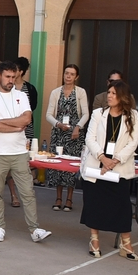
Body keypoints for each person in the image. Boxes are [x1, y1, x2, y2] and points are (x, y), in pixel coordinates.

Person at [0, 62, 51, 244]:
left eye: (13, 77)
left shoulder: (22, 95)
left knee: (27, 191)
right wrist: (15, 125)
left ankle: (34, 229)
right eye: (7, 77)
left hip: (19, 151)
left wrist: (3, 122)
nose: (10, 81)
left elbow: (27, 119)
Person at [80, 80, 138, 260]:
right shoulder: (98, 113)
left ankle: (126, 244)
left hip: (119, 169)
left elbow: (133, 143)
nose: (109, 96)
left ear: (123, 96)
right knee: (94, 204)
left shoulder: (134, 116)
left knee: (122, 207)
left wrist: (115, 160)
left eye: (114, 93)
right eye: (108, 92)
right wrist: (102, 158)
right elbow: (89, 138)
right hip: (97, 167)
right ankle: (94, 240)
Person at [44, 64, 90, 212]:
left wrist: (77, 127)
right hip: (59, 133)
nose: (68, 76)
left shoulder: (81, 92)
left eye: (71, 74)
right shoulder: (56, 92)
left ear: (76, 77)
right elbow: (48, 114)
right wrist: (57, 124)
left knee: (71, 165)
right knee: (58, 164)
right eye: (66, 73)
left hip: (74, 134)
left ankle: (69, 198)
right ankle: (58, 197)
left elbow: (85, 114)